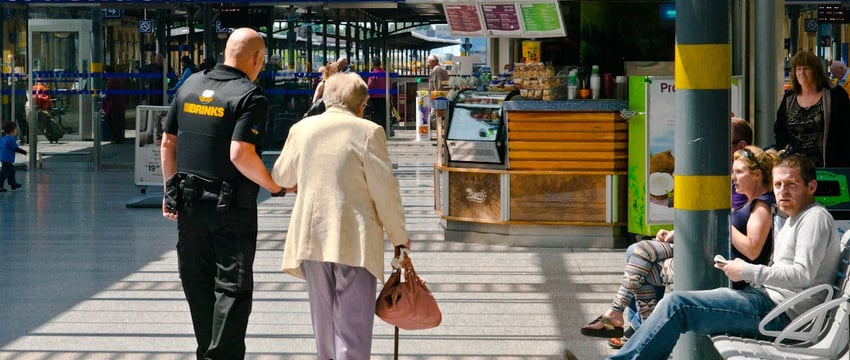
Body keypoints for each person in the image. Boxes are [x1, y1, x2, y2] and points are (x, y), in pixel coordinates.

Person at [609, 153, 841, 360]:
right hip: (769, 302)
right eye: (778, 184)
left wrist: (746, 271)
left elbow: (803, 274)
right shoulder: (793, 217)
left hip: (783, 316)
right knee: (673, 298)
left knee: (677, 305)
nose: (783, 191)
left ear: (811, 187)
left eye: (791, 184)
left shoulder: (814, 218)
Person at [159, 28, 287, 359]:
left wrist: (170, 190)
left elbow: (167, 143)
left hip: (188, 206)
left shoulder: (189, 85)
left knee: (198, 284)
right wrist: (274, 186)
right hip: (231, 210)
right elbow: (240, 154)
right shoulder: (250, 96)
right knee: (232, 289)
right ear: (257, 58)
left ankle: (207, 352)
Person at [271, 72, 411, 359]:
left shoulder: (302, 128)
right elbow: (384, 192)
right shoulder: (368, 132)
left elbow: (281, 175)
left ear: (325, 98)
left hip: (311, 238)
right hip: (354, 240)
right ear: (361, 105)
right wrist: (399, 236)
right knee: (353, 328)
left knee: (323, 325)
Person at [596, 117, 758, 349]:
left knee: (639, 255)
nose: (711, 147)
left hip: (713, 252)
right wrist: (676, 232)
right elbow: (704, 216)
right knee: (637, 253)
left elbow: (722, 223)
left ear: (740, 147)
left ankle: (634, 325)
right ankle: (637, 326)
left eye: (721, 142)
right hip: (700, 242)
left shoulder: (742, 180)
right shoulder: (724, 172)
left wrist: (685, 232)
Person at [775, 51, 850, 167]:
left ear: (816, 71)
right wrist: (786, 148)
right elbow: (779, 128)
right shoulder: (789, 98)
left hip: (830, 168)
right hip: (796, 169)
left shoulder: (835, 95)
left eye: (806, 68)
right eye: (798, 69)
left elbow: (846, 130)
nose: (802, 73)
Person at [103, 67, 128, 144]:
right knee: (118, 122)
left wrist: (105, 98)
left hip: (114, 105)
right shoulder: (118, 80)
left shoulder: (112, 81)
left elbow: (110, 94)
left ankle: (117, 137)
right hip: (119, 104)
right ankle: (118, 137)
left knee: (113, 122)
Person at [0, 121, 26, 192]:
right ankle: (3, 185)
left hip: (3, 157)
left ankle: (12, 184)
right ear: (13, 130)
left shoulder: (3, 138)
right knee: (4, 173)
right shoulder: (11, 139)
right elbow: (15, 148)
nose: (16, 130)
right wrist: (23, 152)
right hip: (7, 158)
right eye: (16, 129)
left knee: (11, 171)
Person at [367, 56, 388, 131]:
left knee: (376, 116)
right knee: (383, 116)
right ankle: (384, 130)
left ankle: (376, 131)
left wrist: (368, 97)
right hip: (385, 97)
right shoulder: (385, 73)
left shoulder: (373, 74)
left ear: (372, 64)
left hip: (375, 98)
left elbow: (370, 86)